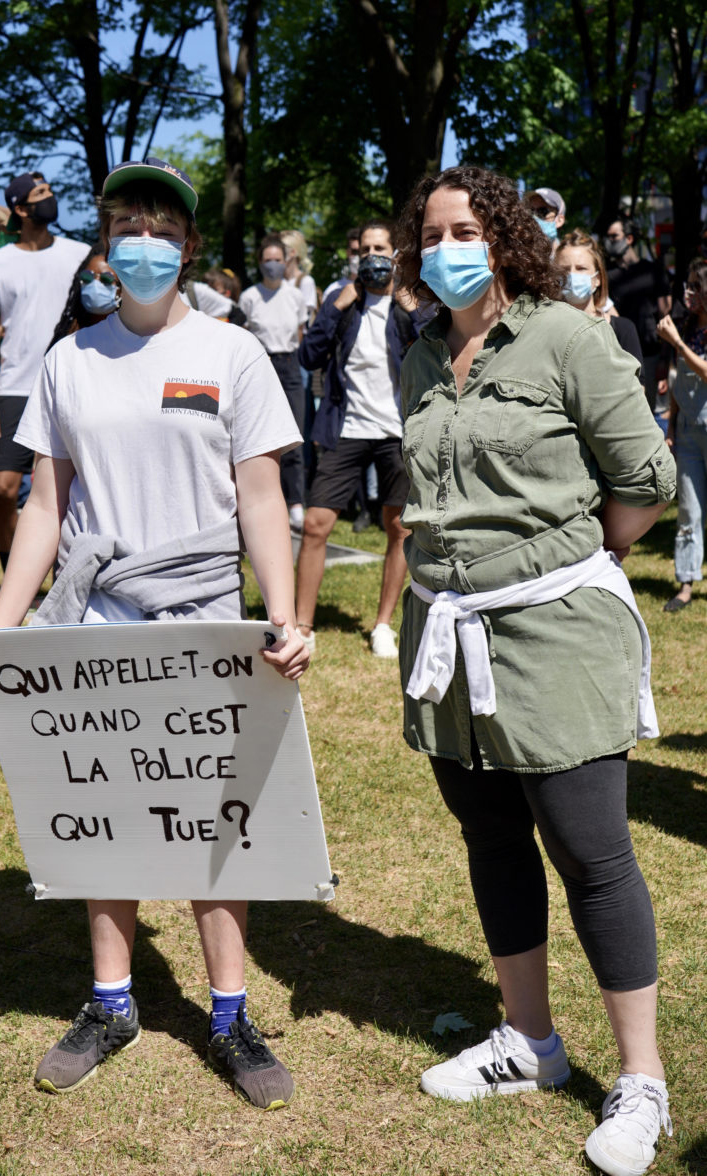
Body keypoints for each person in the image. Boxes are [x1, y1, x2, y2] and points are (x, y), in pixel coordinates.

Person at [0, 157, 309, 1108]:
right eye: (127, 228)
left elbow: (261, 496)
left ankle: (229, 1014)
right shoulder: (70, 359)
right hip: (97, 625)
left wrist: (283, 613)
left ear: (188, 246)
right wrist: (4, 627)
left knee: (214, 819)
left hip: (203, 620)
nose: (144, 242)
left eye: (162, 226)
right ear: (106, 250)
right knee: (103, 809)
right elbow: (44, 506)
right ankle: (112, 1001)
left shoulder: (231, 353)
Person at [394, 165, 675, 1176]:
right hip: (447, 632)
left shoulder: (565, 334)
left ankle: (638, 1078)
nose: (444, 246)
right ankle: (530, 1041)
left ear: (503, 237)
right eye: (429, 233)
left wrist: (578, 556)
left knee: (590, 852)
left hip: (552, 634)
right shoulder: (419, 354)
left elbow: (646, 475)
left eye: (463, 227)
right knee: (491, 839)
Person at [295, 220, 427, 659]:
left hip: (395, 430)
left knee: (398, 527)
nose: (371, 255)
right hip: (345, 428)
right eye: (364, 248)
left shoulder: (409, 305)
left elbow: (441, 345)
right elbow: (309, 355)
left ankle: (384, 625)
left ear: (395, 254)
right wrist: (335, 307)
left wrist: (412, 306)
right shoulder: (342, 303)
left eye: (380, 248)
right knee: (316, 524)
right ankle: (302, 625)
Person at [0, 172, 90, 573]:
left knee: (70, 493)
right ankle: (13, 573)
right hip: (14, 389)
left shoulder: (80, 254)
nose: (50, 198)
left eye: (50, 191)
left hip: (73, 385)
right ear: (20, 209)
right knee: (4, 490)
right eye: (40, 195)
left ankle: (63, 579)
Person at [239, 235, 309, 531]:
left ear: (286, 261)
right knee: (256, 436)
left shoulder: (295, 296)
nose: (273, 265)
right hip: (260, 364)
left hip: (289, 364)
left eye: (277, 260)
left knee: (294, 433)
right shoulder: (249, 297)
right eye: (267, 260)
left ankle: (295, 502)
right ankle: (257, 500)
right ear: (259, 262)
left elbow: (301, 332)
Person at [657, 258, 707, 612]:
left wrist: (677, 343)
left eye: (695, 287)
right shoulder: (688, 328)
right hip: (688, 430)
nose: (687, 293)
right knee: (688, 510)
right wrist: (671, 426)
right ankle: (686, 584)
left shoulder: (683, 335)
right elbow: (676, 381)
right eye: (687, 285)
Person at [604, 216, 672, 412]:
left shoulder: (653, 271)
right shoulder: (606, 276)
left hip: (650, 357)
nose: (610, 241)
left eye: (614, 236)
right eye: (607, 237)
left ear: (629, 239)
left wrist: (664, 361)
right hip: (619, 357)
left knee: (645, 414)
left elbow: (665, 316)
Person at [554, 231, 643, 372]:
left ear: (598, 278)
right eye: (564, 270)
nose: (572, 275)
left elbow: (638, 386)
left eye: (581, 268)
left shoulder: (622, 329)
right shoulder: (548, 329)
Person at [47, 243, 120, 348]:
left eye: (106, 278)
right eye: (87, 277)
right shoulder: (66, 342)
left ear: (121, 289)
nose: (95, 284)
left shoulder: (134, 339)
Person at [281, 229, 318, 323]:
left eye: (282, 249)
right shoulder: (277, 281)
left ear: (293, 252)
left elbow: (306, 321)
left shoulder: (306, 281)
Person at [324, 227, 361, 298]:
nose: (358, 256)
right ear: (347, 252)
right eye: (355, 252)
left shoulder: (379, 290)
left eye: (363, 251)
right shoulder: (332, 290)